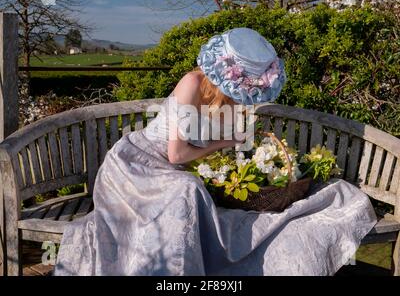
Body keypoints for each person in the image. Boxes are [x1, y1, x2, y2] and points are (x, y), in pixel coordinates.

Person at [54, 28, 376, 276]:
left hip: (172, 171)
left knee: (205, 199)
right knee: (186, 191)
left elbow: (218, 146)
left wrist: (246, 162)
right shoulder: (191, 83)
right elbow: (177, 154)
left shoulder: (230, 100)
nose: (247, 93)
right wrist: (226, 143)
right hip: (135, 166)